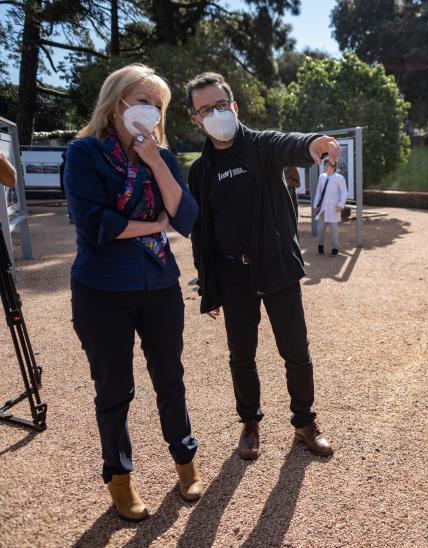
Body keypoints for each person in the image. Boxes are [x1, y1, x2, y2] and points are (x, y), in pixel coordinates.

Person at [64, 64, 203, 522]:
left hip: (159, 284)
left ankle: (185, 462)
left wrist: (157, 163)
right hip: (102, 289)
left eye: (157, 104)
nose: (150, 110)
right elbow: (94, 223)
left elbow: (185, 218)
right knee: (114, 387)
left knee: (170, 377)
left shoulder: (160, 154)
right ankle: (119, 478)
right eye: (142, 99)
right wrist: (153, 225)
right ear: (117, 101)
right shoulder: (84, 152)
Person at [185, 72, 339, 461]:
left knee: (296, 351)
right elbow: (201, 231)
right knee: (242, 355)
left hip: (277, 268)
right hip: (233, 275)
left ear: (234, 107)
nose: (215, 114)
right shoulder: (200, 171)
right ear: (195, 120)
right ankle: (250, 423)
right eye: (205, 110)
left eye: (221, 105)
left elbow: (293, 143)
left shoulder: (262, 146)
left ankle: (305, 422)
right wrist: (208, 283)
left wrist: (316, 144)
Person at [314, 158, 347, 256]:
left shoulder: (339, 178)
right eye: (325, 165)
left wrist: (340, 205)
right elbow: (319, 191)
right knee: (320, 229)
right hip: (323, 208)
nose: (325, 167)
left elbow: (344, 193)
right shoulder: (322, 177)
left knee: (333, 230)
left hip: (334, 208)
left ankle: (335, 248)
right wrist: (317, 205)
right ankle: (320, 246)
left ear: (333, 167)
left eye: (327, 165)